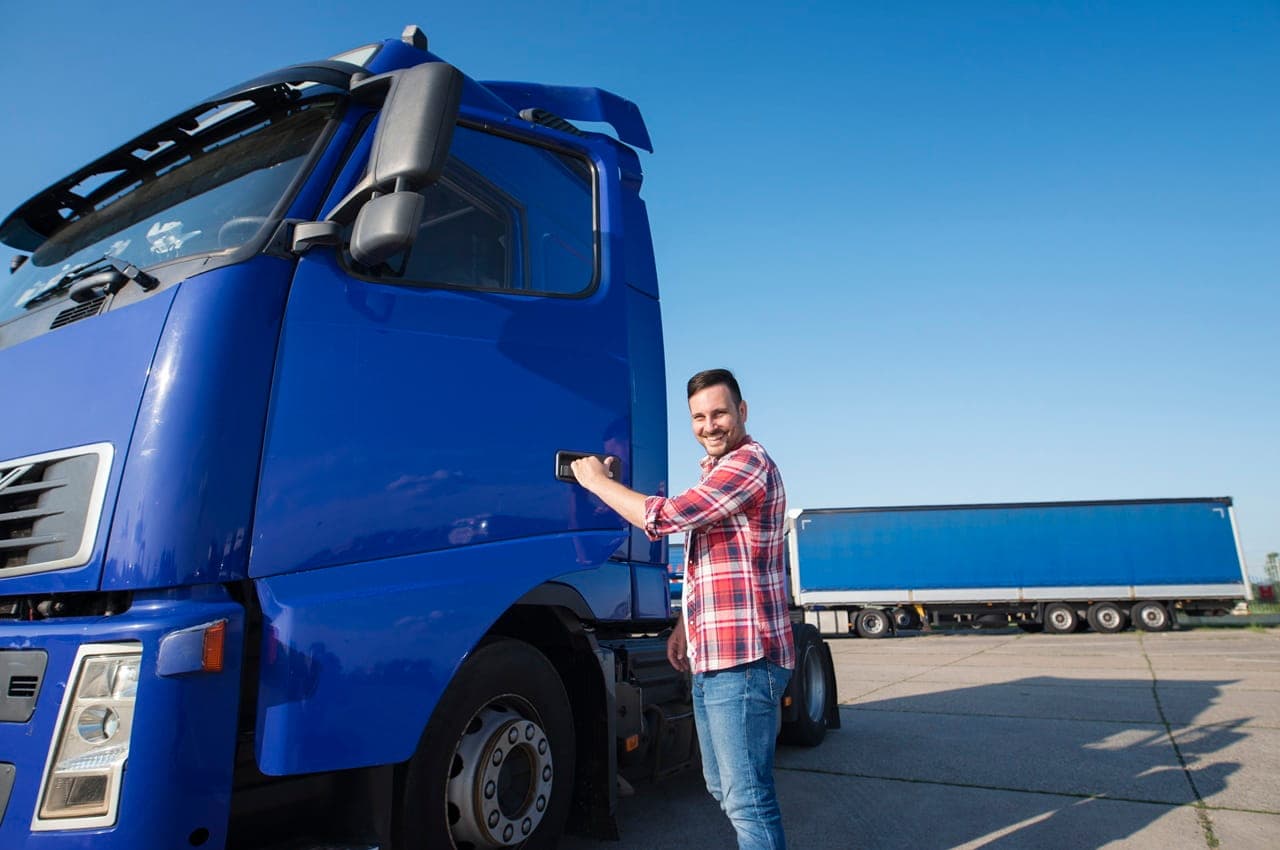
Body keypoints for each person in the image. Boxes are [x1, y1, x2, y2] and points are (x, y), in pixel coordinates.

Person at [570, 368, 794, 850]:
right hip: (716, 655)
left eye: (719, 413)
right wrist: (681, 627)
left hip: (747, 659)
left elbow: (665, 517)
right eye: (698, 417)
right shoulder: (716, 473)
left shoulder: (748, 465)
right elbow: (712, 568)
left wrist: (595, 482)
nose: (709, 425)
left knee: (748, 800)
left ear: (742, 412)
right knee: (722, 788)